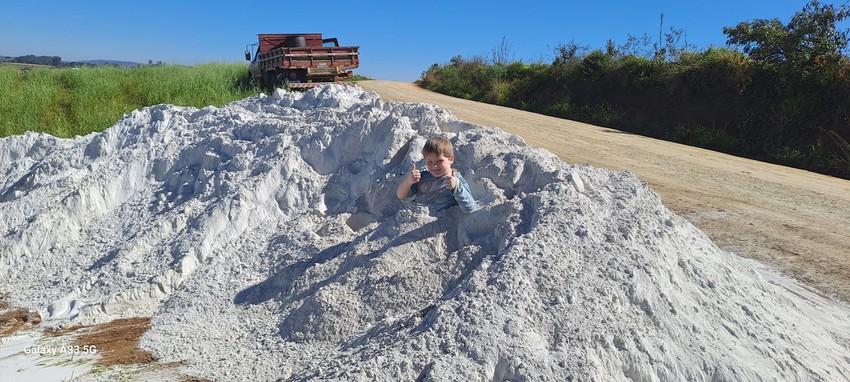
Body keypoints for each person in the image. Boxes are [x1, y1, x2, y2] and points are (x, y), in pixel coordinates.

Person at [396, 135, 477, 214]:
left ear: (451, 159)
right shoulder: (423, 177)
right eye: (430, 162)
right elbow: (401, 196)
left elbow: (470, 208)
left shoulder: (456, 181)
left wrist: (457, 187)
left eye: (439, 161)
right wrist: (409, 181)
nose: (434, 166)